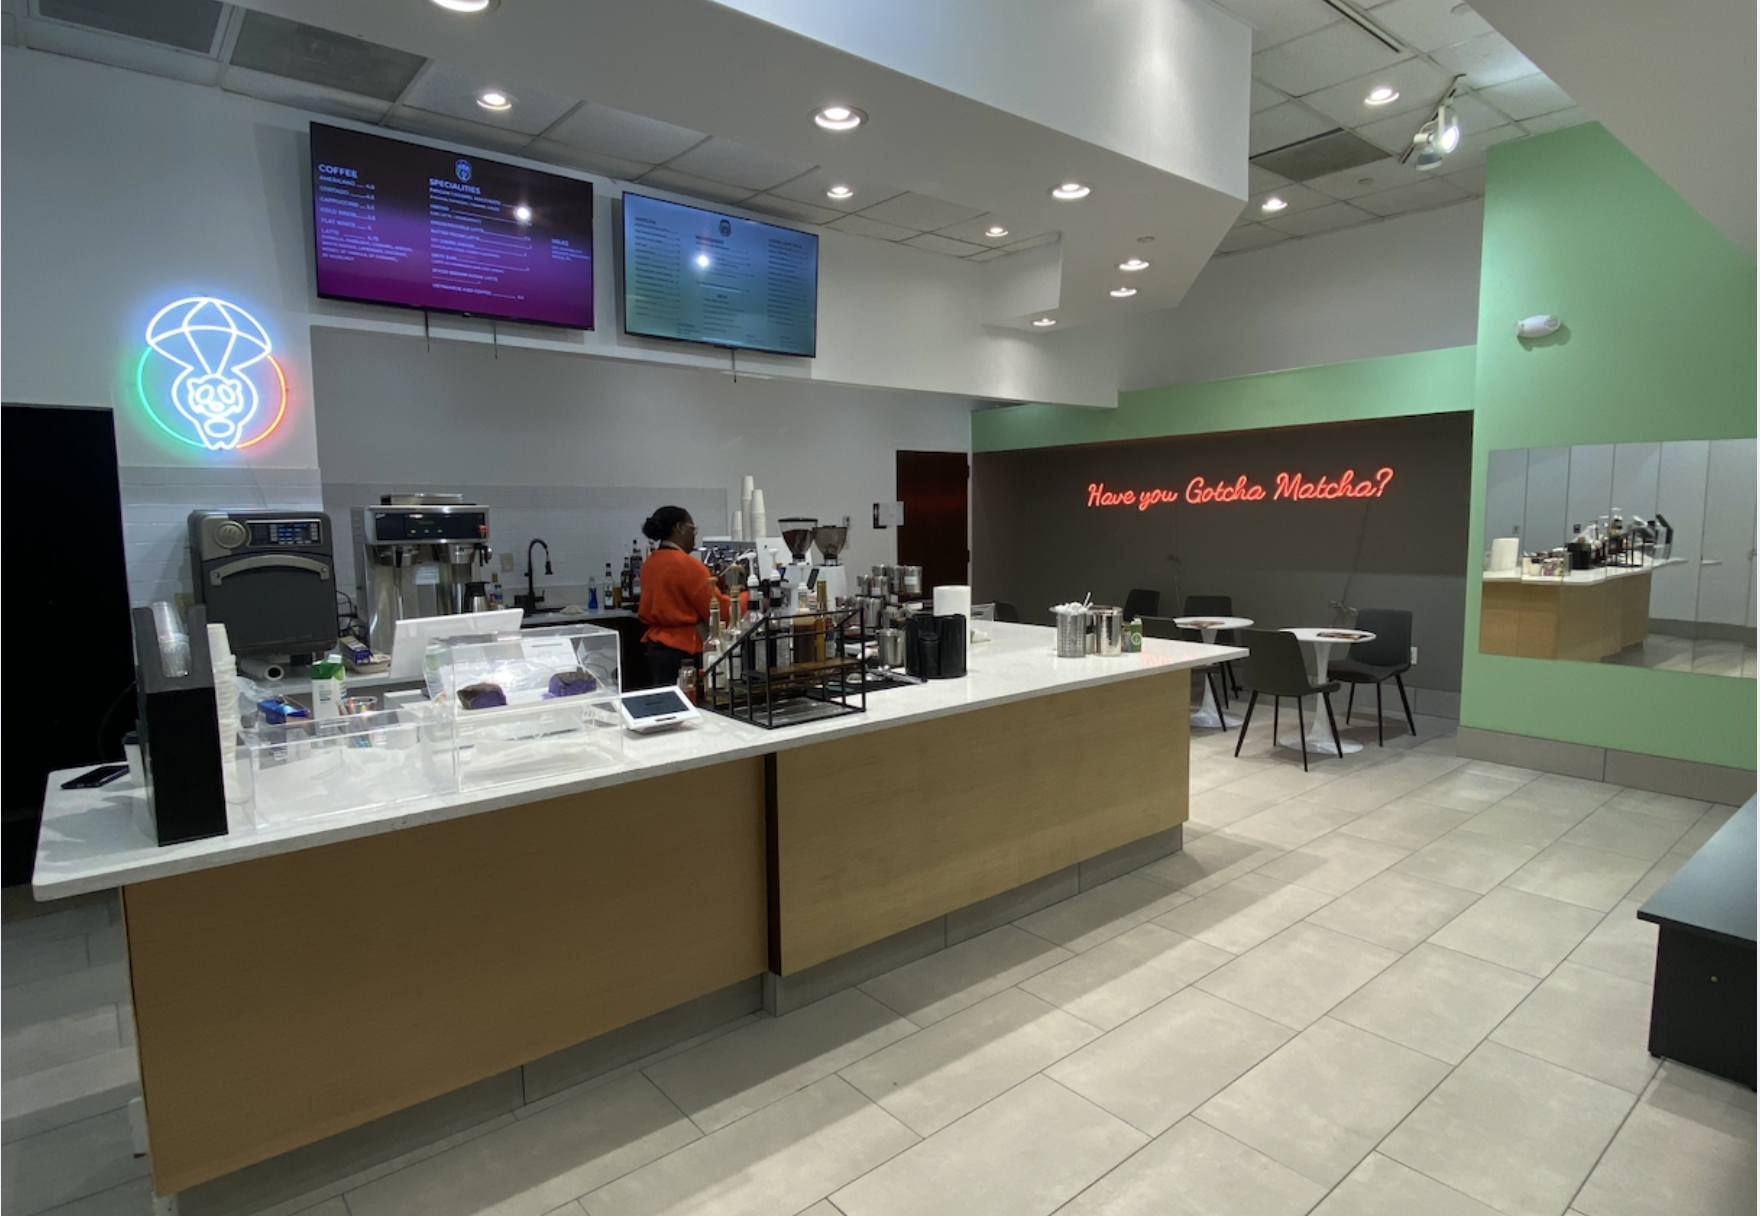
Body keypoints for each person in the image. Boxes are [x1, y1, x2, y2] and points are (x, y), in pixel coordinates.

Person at [636, 506, 732, 689]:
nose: (694, 536)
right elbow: (719, 611)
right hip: (684, 651)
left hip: (656, 649)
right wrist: (746, 598)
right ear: (679, 527)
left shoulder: (650, 563)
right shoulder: (687, 565)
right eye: (692, 529)